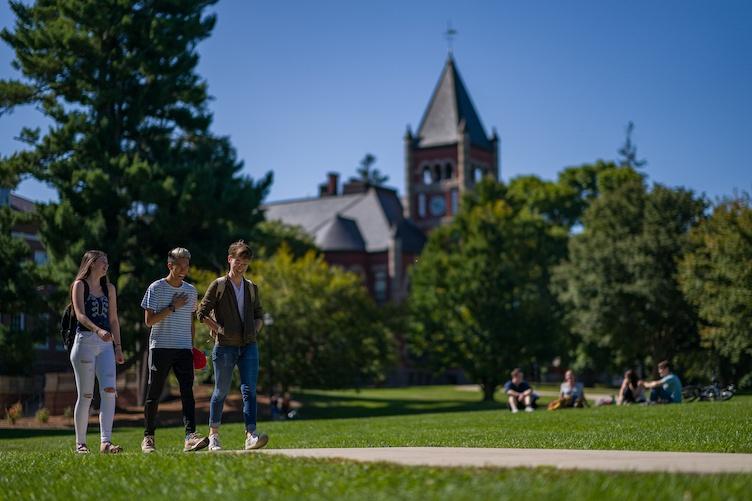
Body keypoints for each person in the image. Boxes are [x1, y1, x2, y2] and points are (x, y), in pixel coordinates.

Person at [196, 240, 269, 451]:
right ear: (230, 259)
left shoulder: (251, 288)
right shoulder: (219, 285)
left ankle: (251, 435)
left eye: (245, 263)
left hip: (249, 346)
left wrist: (255, 329)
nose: (241, 266)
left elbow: (259, 314)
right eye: (238, 261)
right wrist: (219, 329)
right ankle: (214, 436)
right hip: (225, 347)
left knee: (250, 391)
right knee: (221, 391)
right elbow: (201, 312)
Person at [140, 247, 208, 453]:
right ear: (170, 265)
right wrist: (173, 306)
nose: (185, 269)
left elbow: (191, 321)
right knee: (154, 393)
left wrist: (192, 345)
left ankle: (190, 437)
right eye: (181, 265)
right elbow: (149, 321)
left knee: (188, 393)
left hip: (183, 349)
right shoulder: (156, 288)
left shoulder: (191, 290)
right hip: (160, 347)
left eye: (187, 265)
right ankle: (148, 438)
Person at [69, 250, 125, 454]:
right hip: (84, 342)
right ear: (91, 264)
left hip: (106, 346)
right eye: (103, 262)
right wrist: (97, 330)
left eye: (108, 262)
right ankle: (80, 444)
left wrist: (118, 347)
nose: (106, 266)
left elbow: (113, 320)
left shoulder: (109, 288)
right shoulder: (79, 285)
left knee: (109, 391)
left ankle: (105, 442)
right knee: (85, 395)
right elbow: (80, 315)